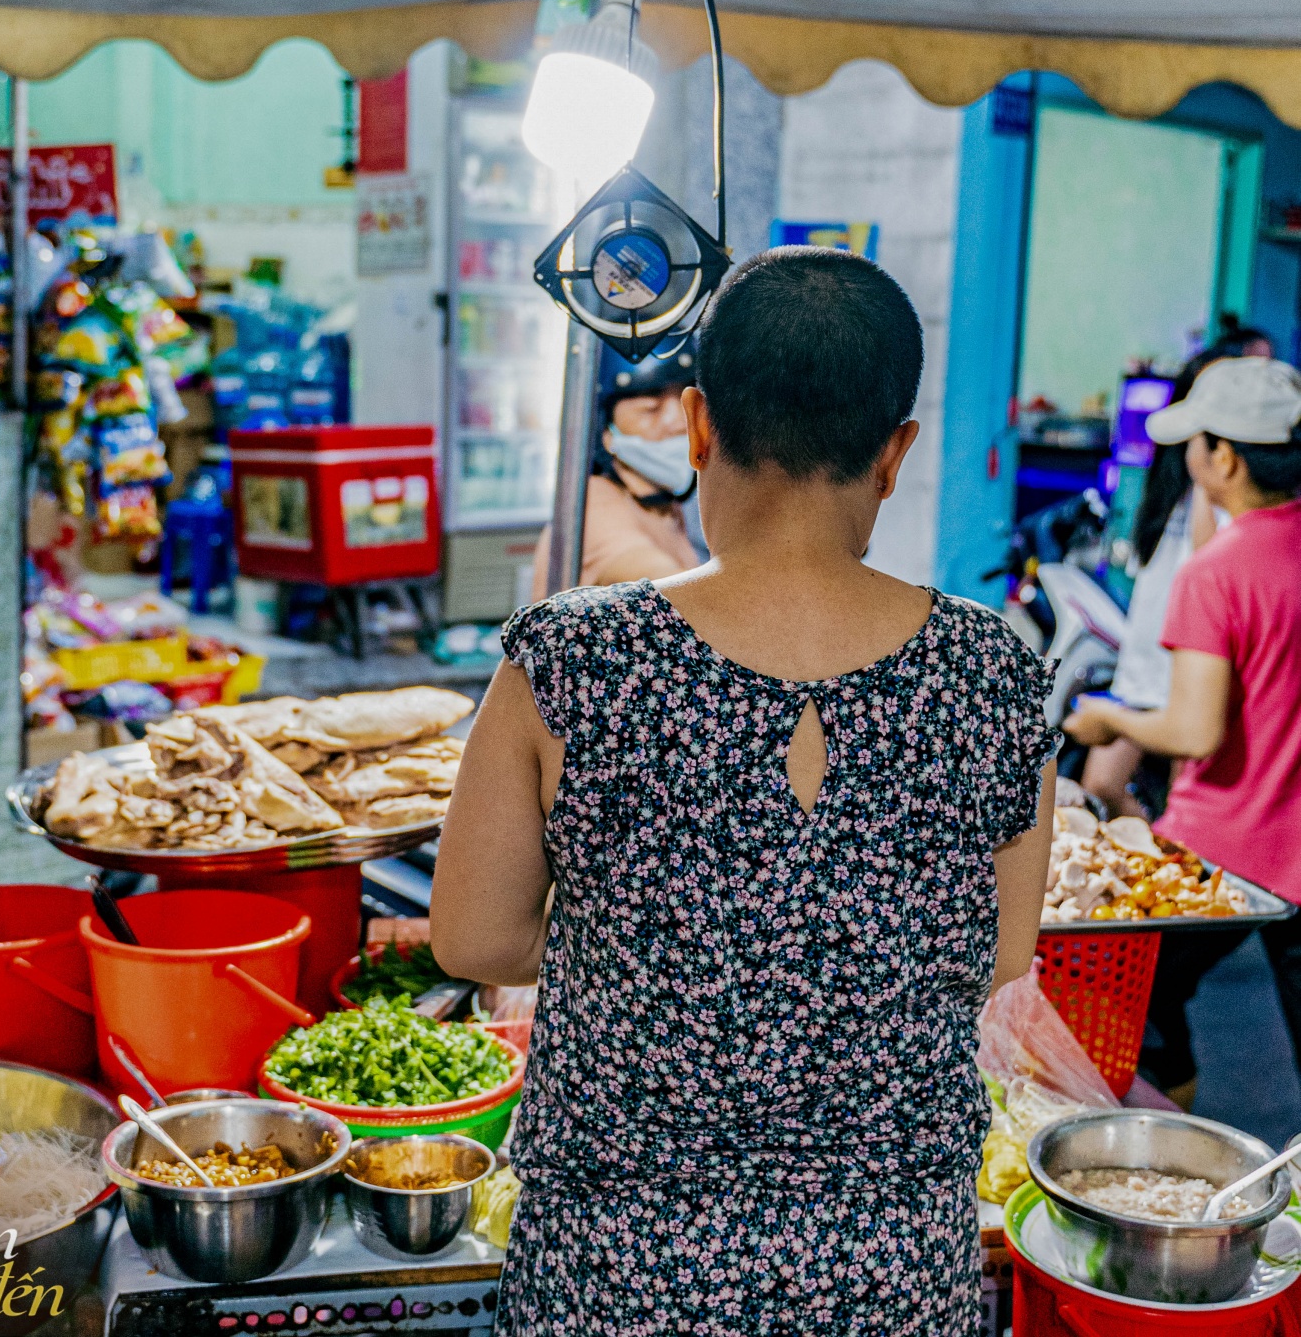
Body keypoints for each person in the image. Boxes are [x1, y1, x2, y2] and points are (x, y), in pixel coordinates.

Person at [433, 248, 1059, 1335]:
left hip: (618, 1279)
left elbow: (474, 938)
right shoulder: (995, 670)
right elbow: (998, 951)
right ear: (895, 451)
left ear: (698, 425)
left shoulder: (573, 656)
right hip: (890, 1280)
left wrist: (643, 938)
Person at [1065, 355, 1301, 1107]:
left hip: (1230, 846)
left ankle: (1160, 1159)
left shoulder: (1217, 570)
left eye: (1196, 441)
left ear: (1223, 457)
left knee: (1132, 1008)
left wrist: (1105, 719)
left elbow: (1194, 729)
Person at [1081, 348, 1228, 818]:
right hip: (1142, 666)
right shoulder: (1166, 481)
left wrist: (1207, 472)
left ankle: (1171, 881)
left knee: (1184, 801)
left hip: (1190, 674)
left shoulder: (1220, 490)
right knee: (1100, 784)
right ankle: (1156, 863)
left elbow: (1208, 561)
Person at [530, 350, 699, 596]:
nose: (680, 424)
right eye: (651, 409)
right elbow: (669, 582)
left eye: (688, 407)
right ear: (606, 432)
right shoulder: (591, 504)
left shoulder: (664, 506)